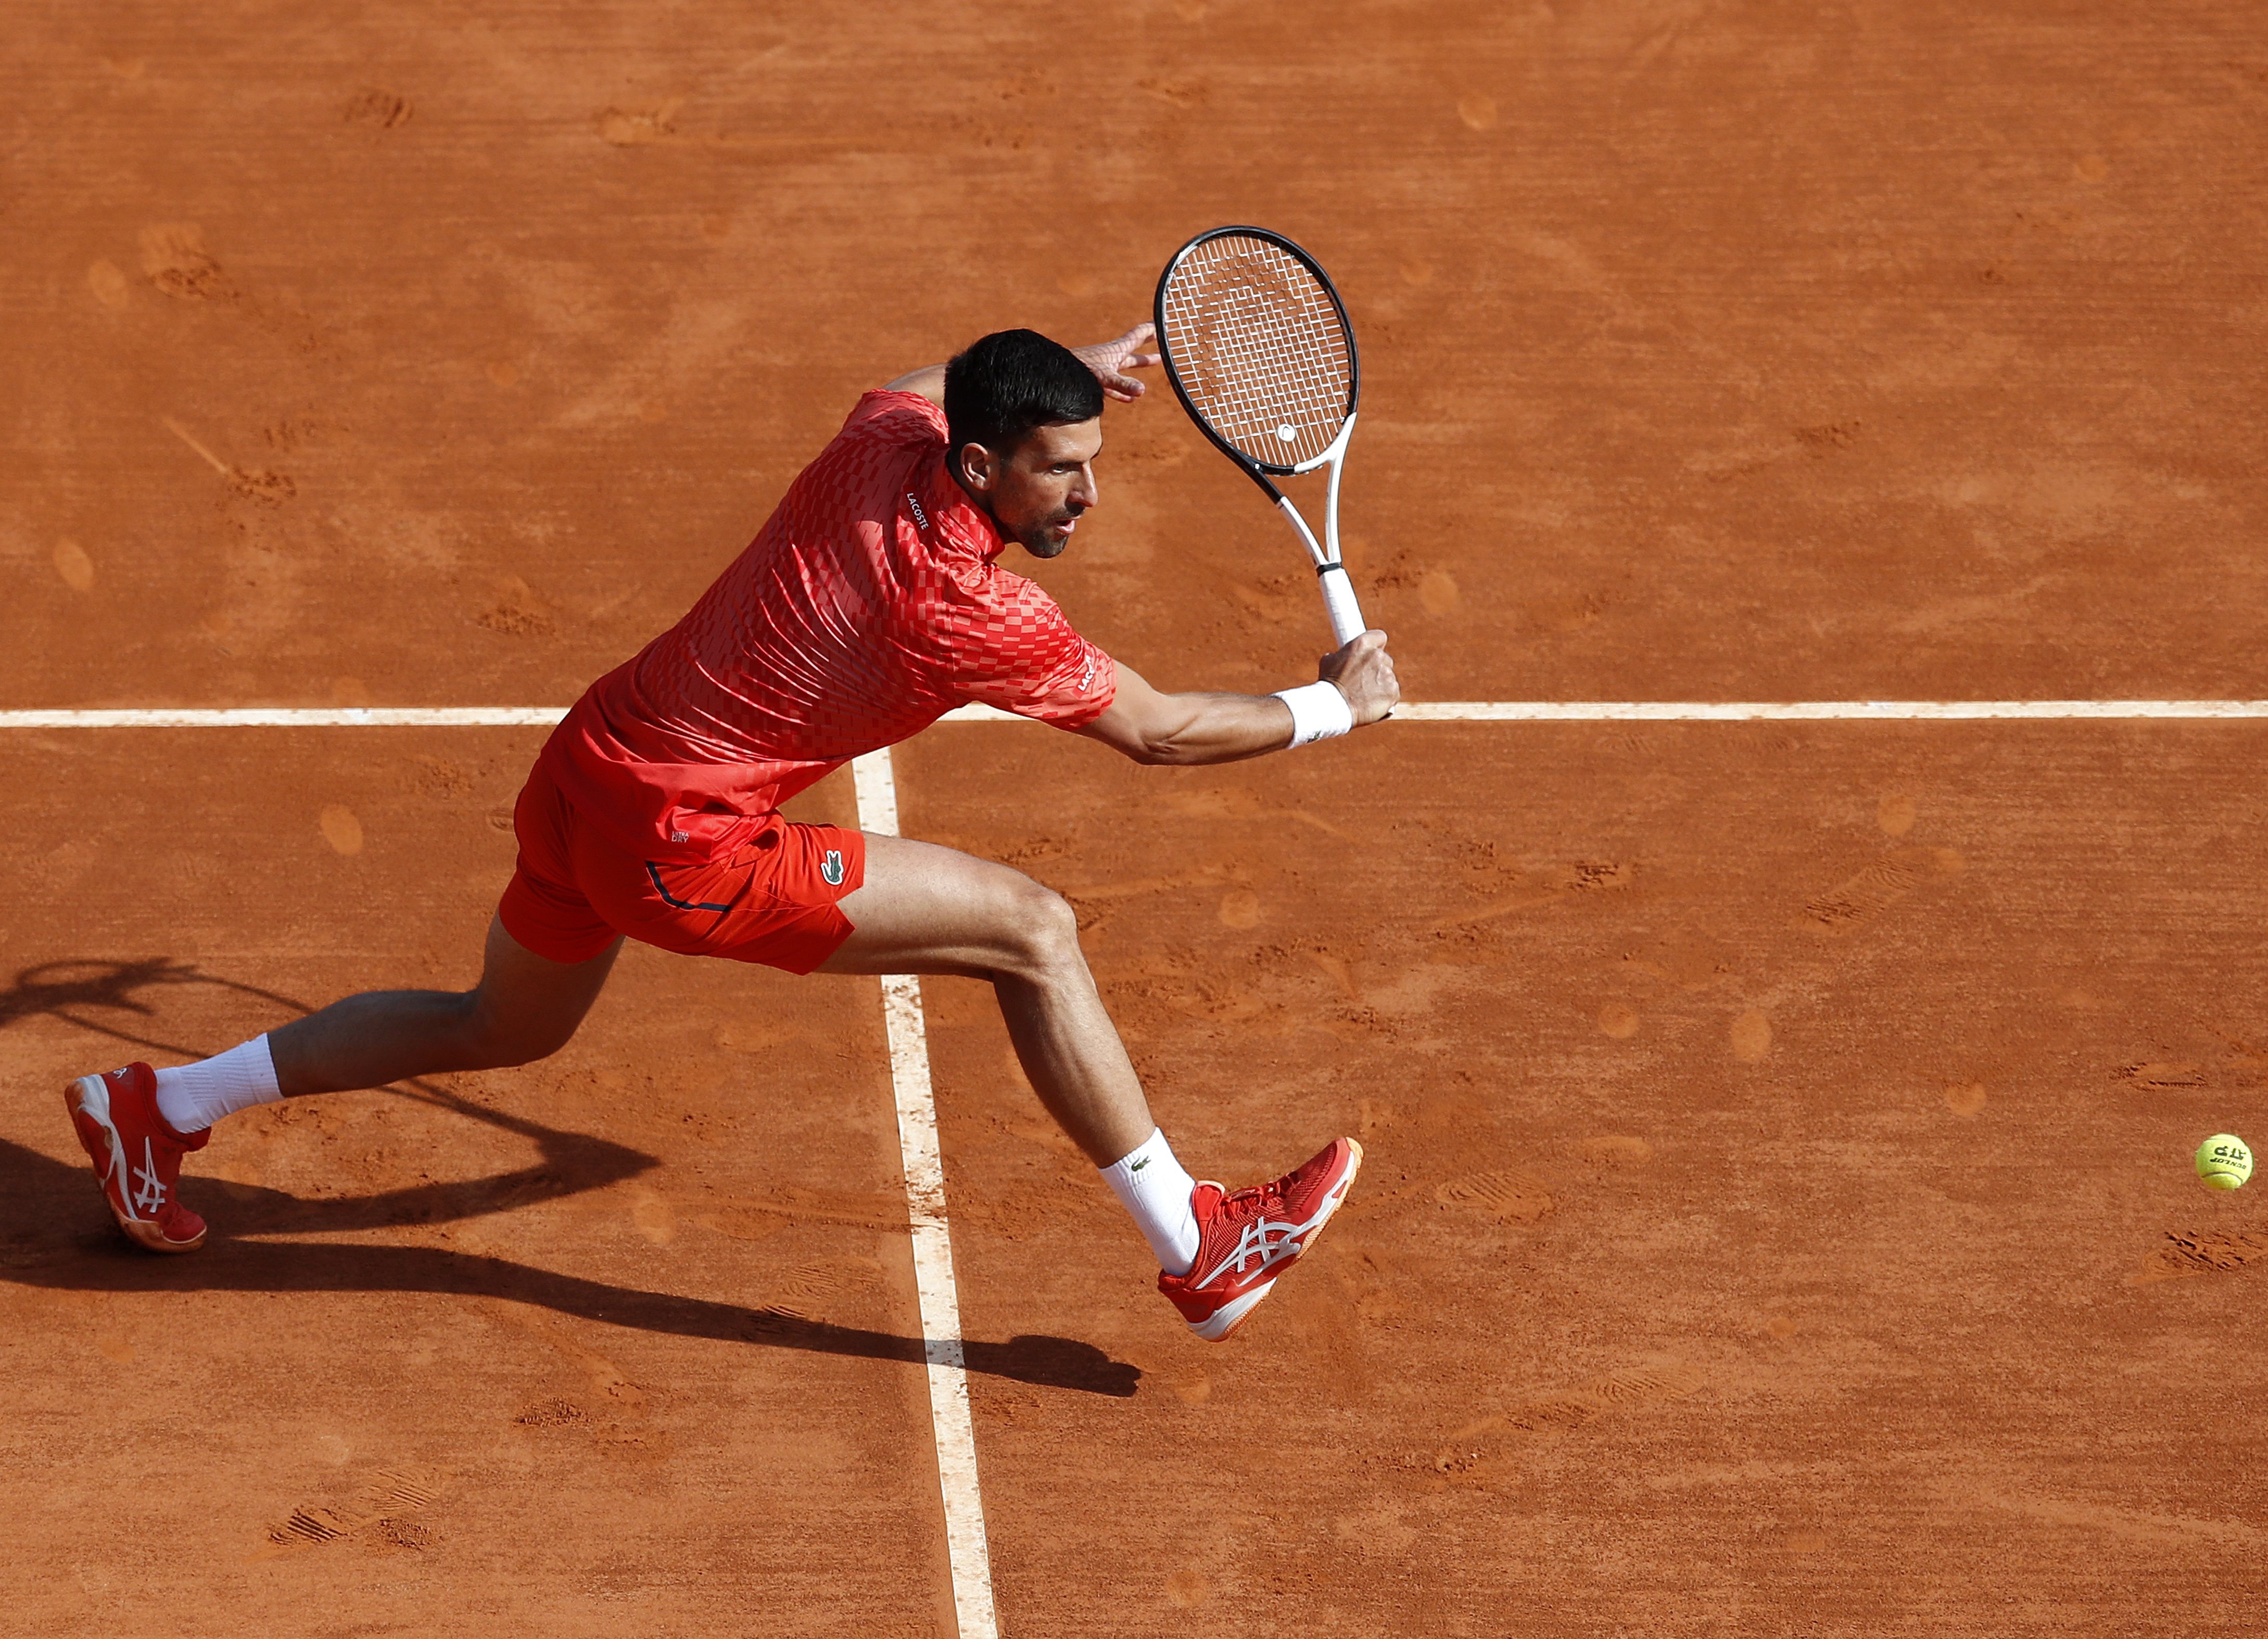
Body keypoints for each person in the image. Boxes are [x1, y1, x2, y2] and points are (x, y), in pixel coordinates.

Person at [61, 322, 1399, 1342]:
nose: (1084, 497)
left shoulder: (885, 437)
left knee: (500, 1026)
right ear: (982, 465)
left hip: (589, 767)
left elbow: (927, 378)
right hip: (687, 845)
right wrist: (1330, 710)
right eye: (1059, 468)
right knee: (1032, 933)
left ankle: (160, 1105)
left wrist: (1063, 367)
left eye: (1090, 464)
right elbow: (1159, 732)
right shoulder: (971, 608)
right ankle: (1199, 1240)